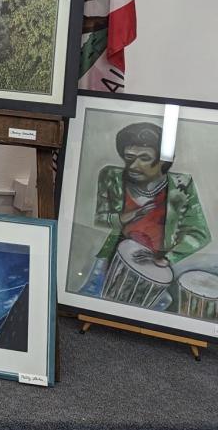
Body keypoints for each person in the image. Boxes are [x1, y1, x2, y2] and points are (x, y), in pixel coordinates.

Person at [77, 121, 210, 298]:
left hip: (155, 265)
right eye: (129, 157)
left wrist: (166, 258)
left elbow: (200, 234)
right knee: (92, 296)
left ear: (163, 160)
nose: (133, 165)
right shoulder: (111, 177)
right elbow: (97, 219)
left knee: (162, 304)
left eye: (144, 158)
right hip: (114, 256)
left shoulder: (181, 186)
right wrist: (124, 217)